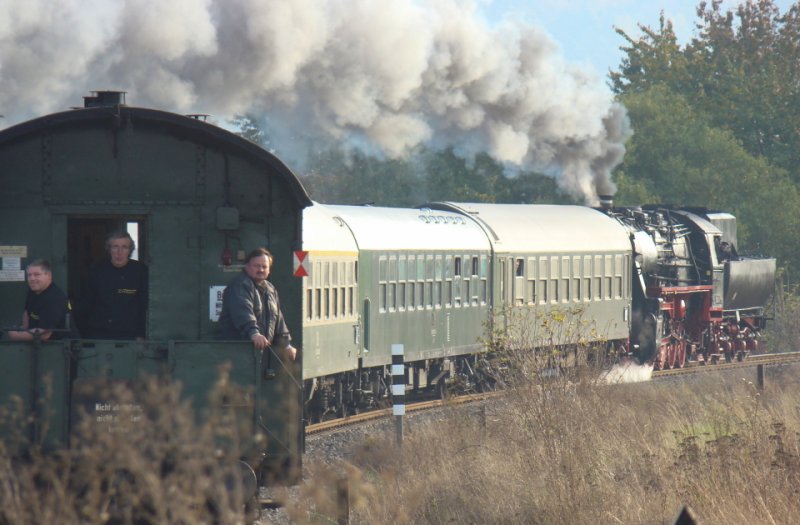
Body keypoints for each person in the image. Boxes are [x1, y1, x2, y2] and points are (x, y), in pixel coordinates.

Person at [216, 248, 297, 361]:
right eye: (257, 266)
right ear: (247, 267)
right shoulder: (240, 286)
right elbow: (243, 312)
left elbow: (279, 321)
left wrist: (287, 345)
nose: (261, 269)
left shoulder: (270, 289)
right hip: (237, 353)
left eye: (264, 267)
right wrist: (254, 333)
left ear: (269, 270)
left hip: (259, 353)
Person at [82, 230, 148, 340]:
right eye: (115, 247)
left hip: (129, 334)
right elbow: (87, 302)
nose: (119, 252)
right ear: (109, 249)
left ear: (130, 250)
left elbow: (144, 304)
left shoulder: (140, 271)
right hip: (100, 333)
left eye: (124, 247)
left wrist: (140, 334)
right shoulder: (97, 270)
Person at [8, 259, 74, 341]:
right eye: (29, 275)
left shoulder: (54, 298)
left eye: (37, 275)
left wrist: (15, 335)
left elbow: (44, 334)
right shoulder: (33, 291)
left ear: (49, 275)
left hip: (62, 349)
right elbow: (27, 313)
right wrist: (23, 329)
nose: (32, 279)